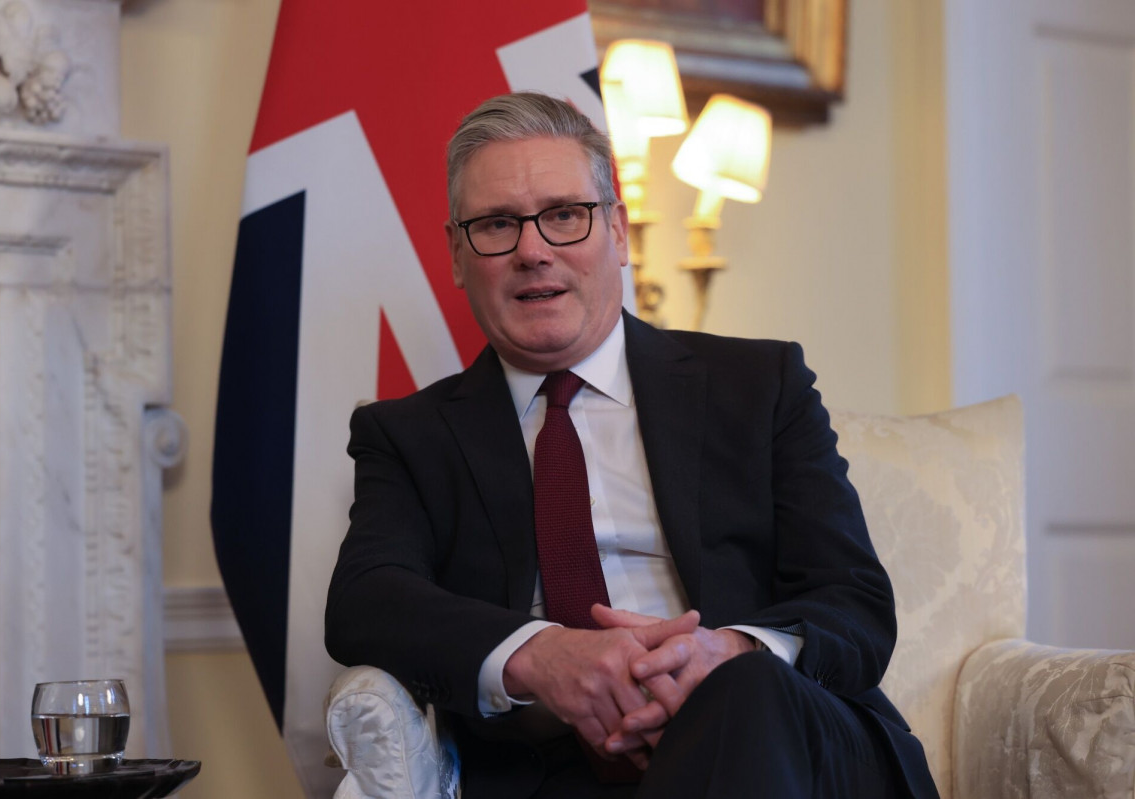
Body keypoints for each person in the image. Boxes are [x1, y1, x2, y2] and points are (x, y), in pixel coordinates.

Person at [325, 91, 939, 799]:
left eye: (563, 214)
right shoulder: (410, 436)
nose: (532, 249)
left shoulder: (759, 383)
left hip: (798, 748)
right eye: (496, 224)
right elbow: (365, 602)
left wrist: (726, 653)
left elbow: (854, 601)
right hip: (559, 772)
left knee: (744, 692)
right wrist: (542, 654)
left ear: (618, 232)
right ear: (459, 257)